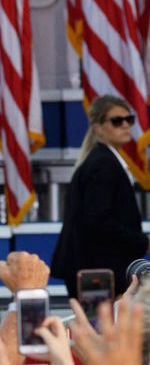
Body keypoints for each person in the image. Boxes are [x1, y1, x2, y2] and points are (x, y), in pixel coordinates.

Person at [51, 95, 150, 298]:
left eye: (128, 119)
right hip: (97, 274)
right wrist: (141, 241)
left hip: (95, 271)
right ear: (98, 126)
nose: (125, 125)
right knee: (99, 328)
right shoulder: (103, 164)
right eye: (116, 121)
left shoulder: (101, 160)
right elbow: (98, 219)